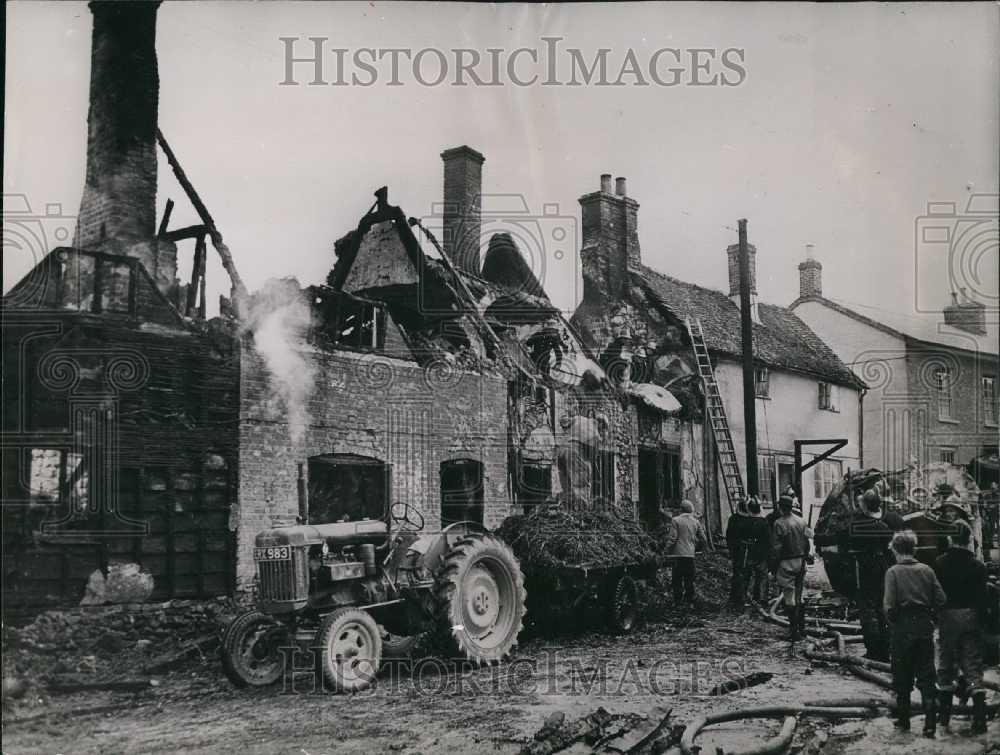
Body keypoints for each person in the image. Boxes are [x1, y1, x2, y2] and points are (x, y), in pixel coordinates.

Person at [884, 530, 947, 737]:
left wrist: (895, 622)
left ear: (895, 549)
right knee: (926, 674)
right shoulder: (927, 570)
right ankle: (930, 724)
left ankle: (904, 721)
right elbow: (941, 599)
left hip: (902, 627)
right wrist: (930, 615)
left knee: (902, 675)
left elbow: (889, 607)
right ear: (914, 549)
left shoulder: (893, 572)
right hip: (923, 626)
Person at [933, 519, 989, 734]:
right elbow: (983, 598)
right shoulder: (978, 566)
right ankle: (980, 720)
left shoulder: (939, 563)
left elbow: (936, 595)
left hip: (947, 616)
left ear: (950, 539)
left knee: (946, 665)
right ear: (968, 539)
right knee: (973, 666)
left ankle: (944, 719)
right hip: (971, 616)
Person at [850, 490, 893, 661]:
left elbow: (842, 539)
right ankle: (884, 650)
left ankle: (873, 650)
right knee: (882, 608)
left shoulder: (857, 526)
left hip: (865, 568)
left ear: (865, 506)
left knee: (868, 610)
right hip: (882, 567)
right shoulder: (883, 527)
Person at [770, 493, 812, 640]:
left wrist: (773, 566)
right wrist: (806, 556)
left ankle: (794, 632)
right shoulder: (802, 521)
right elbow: (808, 542)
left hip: (786, 562)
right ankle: (802, 628)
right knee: (799, 595)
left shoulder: (779, 523)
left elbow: (776, 548)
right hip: (801, 561)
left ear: (781, 507)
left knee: (789, 597)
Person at [666, 499, 708, 606]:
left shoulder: (675, 520)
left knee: (677, 579)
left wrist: (665, 549)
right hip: (690, 554)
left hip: (678, 554)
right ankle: (690, 601)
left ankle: (678, 601)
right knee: (689, 579)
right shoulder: (696, 522)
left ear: (681, 509)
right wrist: (701, 549)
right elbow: (703, 538)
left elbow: (672, 538)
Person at [744, 497, 772, 604]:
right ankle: (762, 598)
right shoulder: (764, 522)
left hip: (749, 552)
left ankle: (747, 598)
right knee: (762, 576)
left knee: (748, 575)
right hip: (762, 553)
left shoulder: (746, 522)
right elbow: (769, 540)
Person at [725, 498, 751, 607]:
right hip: (745, 549)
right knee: (744, 573)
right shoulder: (749, 520)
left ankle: (735, 597)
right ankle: (742, 597)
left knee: (737, 572)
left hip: (736, 549)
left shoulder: (733, 518)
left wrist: (730, 548)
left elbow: (728, 535)